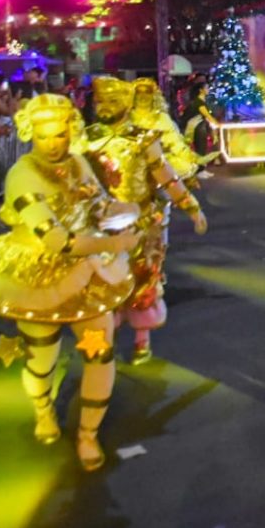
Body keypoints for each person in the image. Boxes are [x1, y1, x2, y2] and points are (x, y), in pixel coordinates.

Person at [0, 95, 140, 470]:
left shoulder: (78, 162)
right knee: (42, 358)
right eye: (44, 136)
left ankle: (88, 434)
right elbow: (56, 241)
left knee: (100, 353)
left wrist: (126, 209)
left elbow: (97, 204)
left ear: (71, 130)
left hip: (88, 271)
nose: (54, 144)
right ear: (31, 134)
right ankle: (43, 410)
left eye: (60, 134)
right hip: (38, 276)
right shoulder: (21, 175)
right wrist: (113, 244)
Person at [81, 77, 206, 364]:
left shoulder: (144, 139)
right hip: (99, 224)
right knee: (101, 283)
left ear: (126, 104)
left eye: (112, 101)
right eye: (100, 101)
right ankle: (103, 338)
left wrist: (191, 207)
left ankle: (141, 341)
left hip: (141, 223)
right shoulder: (86, 139)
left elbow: (166, 176)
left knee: (143, 282)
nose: (104, 106)